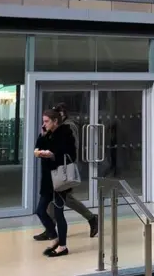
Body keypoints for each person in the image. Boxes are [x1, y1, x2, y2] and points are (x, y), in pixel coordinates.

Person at [33, 103, 99, 241]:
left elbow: (70, 149)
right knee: (56, 200)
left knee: (65, 199)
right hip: (53, 172)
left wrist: (55, 154)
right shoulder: (52, 129)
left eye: (58, 114)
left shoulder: (68, 128)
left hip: (63, 170)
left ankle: (90, 218)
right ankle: (51, 229)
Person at [34, 109, 75, 257]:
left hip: (60, 179)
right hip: (47, 179)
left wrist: (53, 155)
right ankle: (54, 236)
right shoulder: (48, 134)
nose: (44, 124)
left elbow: (70, 155)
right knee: (40, 210)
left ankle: (62, 246)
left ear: (55, 121)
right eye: (43, 121)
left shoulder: (66, 134)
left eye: (46, 121)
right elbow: (38, 147)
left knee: (58, 213)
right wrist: (42, 136)